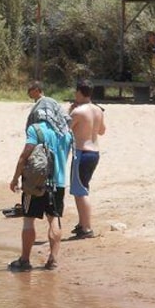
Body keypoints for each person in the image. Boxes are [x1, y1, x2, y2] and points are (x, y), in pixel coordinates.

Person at [8, 94, 74, 271]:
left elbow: (25, 155)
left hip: (34, 184)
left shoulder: (35, 130)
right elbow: (65, 158)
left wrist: (15, 178)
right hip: (58, 184)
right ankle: (53, 259)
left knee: (29, 220)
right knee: (54, 219)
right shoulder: (66, 133)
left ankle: (25, 260)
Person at [69, 79, 106, 239]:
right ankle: (82, 223)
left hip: (82, 152)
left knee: (80, 191)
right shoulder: (98, 110)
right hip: (94, 153)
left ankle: (86, 227)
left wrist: (69, 110)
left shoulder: (78, 112)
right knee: (82, 188)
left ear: (79, 92)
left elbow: (64, 128)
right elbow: (102, 131)